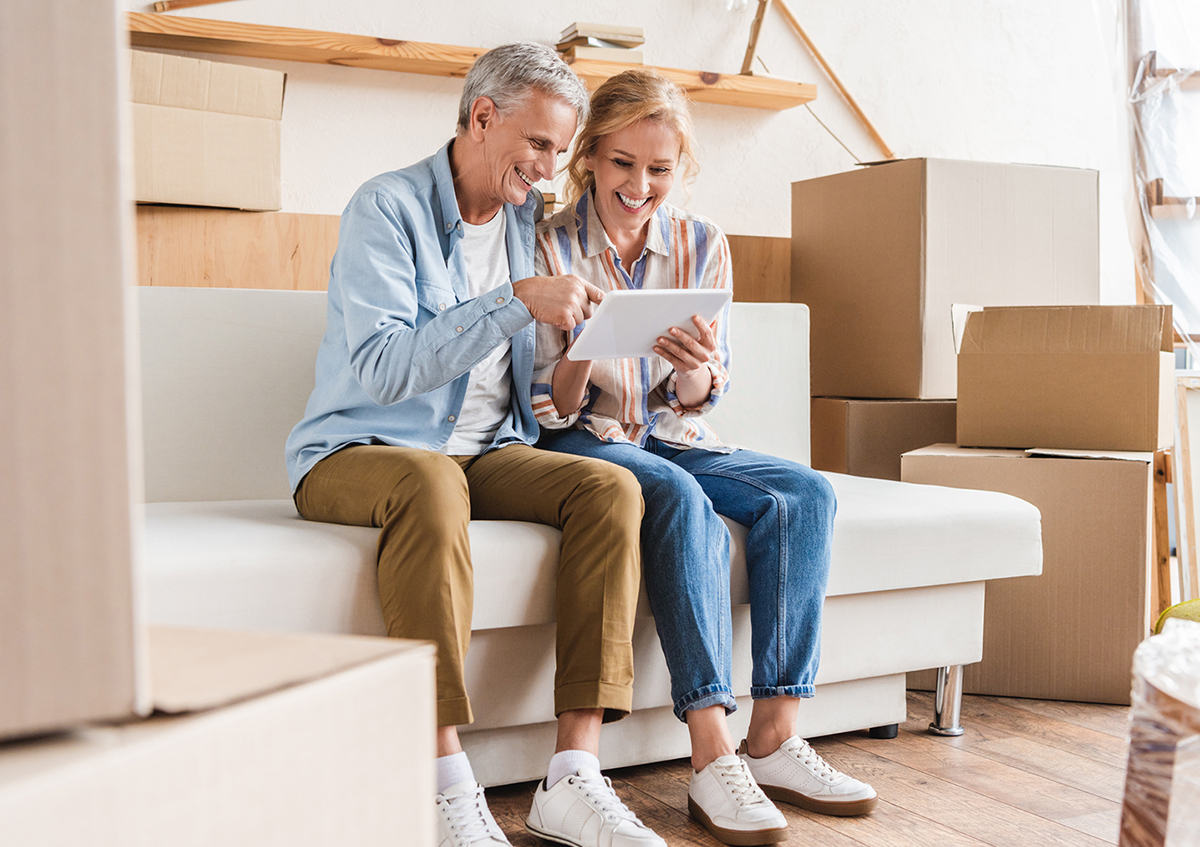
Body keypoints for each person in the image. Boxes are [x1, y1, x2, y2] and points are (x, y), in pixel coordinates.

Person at [285, 44, 667, 847]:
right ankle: (441, 778)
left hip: (488, 449)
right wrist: (515, 300)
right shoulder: (384, 209)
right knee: (432, 483)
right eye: (538, 145)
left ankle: (574, 773)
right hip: (356, 450)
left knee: (611, 490)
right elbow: (386, 368)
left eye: (561, 152)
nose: (549, 168)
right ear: (482, 117)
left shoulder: (532, 220)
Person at [531, 69, 879, 846]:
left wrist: (692, 371)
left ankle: (776, 735)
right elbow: (542, 404)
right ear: (590, 156)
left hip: (670, 435)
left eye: (658, 169)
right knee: (681, 501)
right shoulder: (547, 242)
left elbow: (701, 397)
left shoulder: (701, 242)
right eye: (623, 163)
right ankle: (711, 751)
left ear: (678, 169)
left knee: (804, 495)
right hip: (585, 439)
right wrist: (586, 351)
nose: (639, 184)